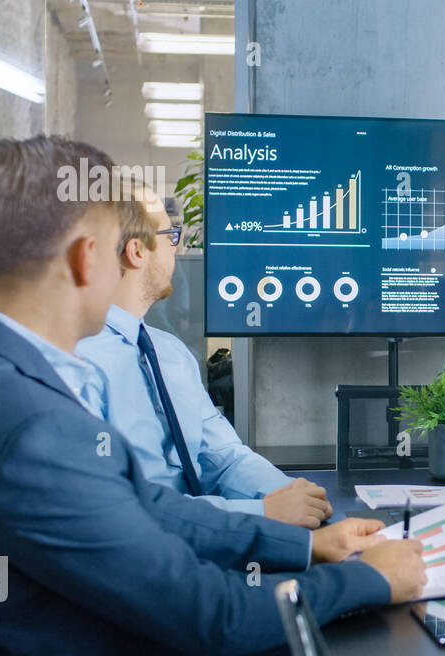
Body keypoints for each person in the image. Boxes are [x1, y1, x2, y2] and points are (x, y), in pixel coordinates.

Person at [0, 136, 427, 656]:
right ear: (86, 259)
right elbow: (211, 616)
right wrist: (369, 579)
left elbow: (142, 505)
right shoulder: (36, 428)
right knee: (379, 649)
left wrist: (305, 545)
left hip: (69, 639)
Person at [77, 183, 330, 528]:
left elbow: (223, 456)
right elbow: (120, 506)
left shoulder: (170, 353)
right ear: (136, 251)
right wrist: (263, 513)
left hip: (211, 534)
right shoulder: (78, 363)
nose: (176, 249)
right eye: (171, 235)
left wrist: (294, 495)